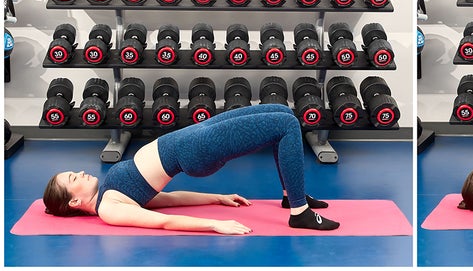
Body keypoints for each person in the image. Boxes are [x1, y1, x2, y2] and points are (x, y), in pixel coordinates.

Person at [42, 104, 339, 234]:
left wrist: (217, 198)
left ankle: (291, 194)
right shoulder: (109, 209)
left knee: (283, 113)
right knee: (286, 126)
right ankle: (299, 213)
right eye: (73, 178)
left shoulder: (110, 192)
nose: (80, 173)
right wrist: (213, 225)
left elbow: (166, 200)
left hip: (190, 137)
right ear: (74, 201)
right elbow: (162, 222)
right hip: (196, 148)